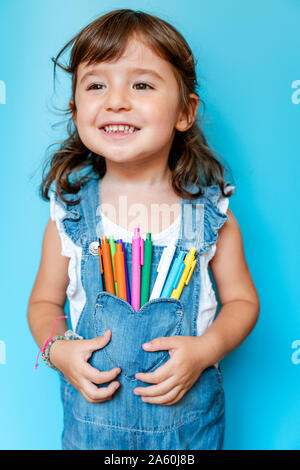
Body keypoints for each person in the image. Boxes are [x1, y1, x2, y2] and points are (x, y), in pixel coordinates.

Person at [27, 9, 260, 450]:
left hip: (187, 436)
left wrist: (205, 351)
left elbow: (243, 301)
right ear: (76, 111)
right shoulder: (69, 216)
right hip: (92, 432)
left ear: (185, 112)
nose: (115, 100)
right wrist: (57, 351)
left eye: (142, 84)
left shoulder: (212, 216)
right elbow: (43, 302)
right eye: (96, 85)